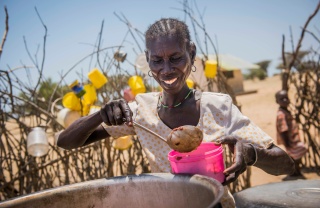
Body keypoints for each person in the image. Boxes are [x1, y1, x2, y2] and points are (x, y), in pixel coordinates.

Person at [58, 18, 295, 208]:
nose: (166, 70)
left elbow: (286, 165)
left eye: (175, 58)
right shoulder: (141, 114)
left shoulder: (218, 108)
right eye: (157, 61)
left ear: (191, 53)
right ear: (148, 61)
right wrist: (100, 114)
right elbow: (66, 142)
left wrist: (253, 155)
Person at [275, 90, 308, 180]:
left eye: (286, 98)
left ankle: (296, 171)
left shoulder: (285, 111)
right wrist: (287, 143)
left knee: (296, 155)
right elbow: (283, 130)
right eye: (282, 99)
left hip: (293, 139)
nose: (285, 100)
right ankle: (294, 172)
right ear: (277, 101)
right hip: (290, 141)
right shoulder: (281, 114)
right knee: (298, 153)